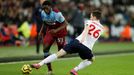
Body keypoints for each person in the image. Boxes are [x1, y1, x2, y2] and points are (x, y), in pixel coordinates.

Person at [31, 10, 104, 75]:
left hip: (77, 42)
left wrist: (83, 38)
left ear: (94, 17)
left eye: (91, 16)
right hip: (87, 48)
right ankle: (75, 70)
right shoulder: (102, 28)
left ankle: (39, 64)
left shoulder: (89, 21)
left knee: (59, 53)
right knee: (92, 59)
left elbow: (86, 30)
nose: (90, 18)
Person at [37, 0, 68, 74]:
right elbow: (45, 23)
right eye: (44, 8)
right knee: (45, 49)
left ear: (50, 7)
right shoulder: (42, 13)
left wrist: (56, 30)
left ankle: (65, 45)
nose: (45, 10)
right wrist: (41, 32)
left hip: (60, 32)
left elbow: (65, 23)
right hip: (50, 31)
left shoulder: (57, 13)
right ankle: (50, 70)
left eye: (46, 8)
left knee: (61, 54)